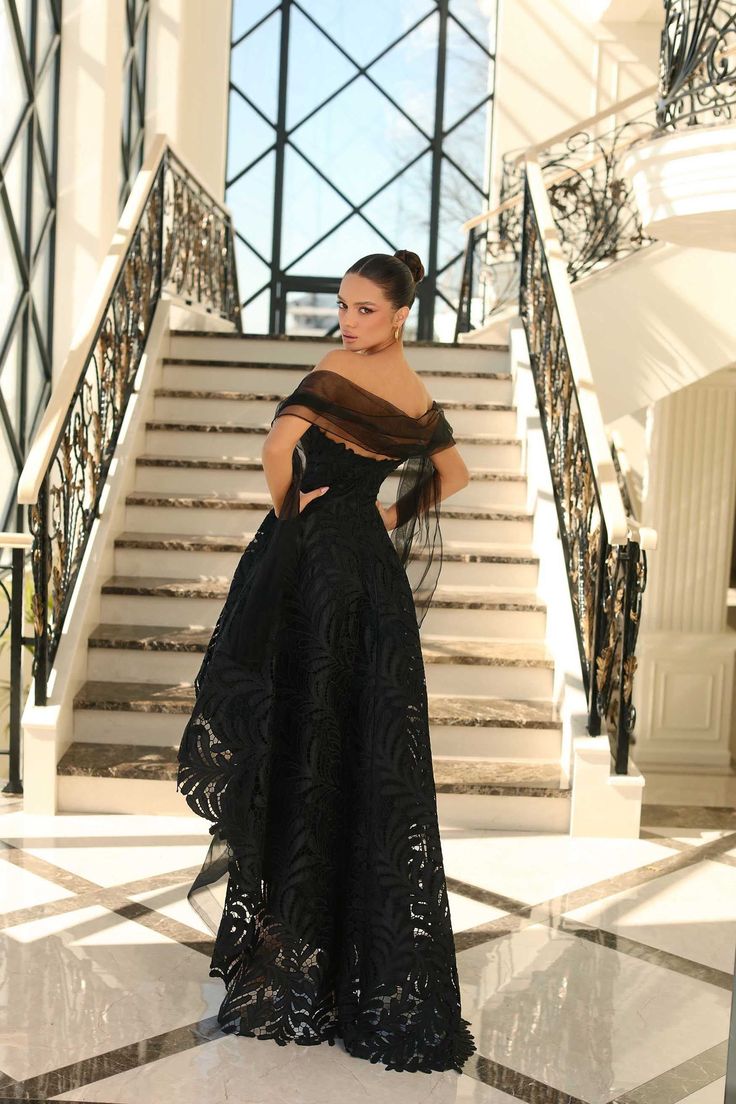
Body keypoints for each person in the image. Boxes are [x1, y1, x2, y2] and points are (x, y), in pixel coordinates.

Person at [176, 250, 476, 1074]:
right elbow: (454, 471)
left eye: (364, 309)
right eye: (342, 307)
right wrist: (388, 516)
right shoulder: (419, 399)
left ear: (399, 313)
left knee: (304, 741)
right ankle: (357, 963)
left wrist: (292, 511)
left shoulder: (335, 371)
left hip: (314, 571)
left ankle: (294, 951)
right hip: (373, 586)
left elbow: (278, 451)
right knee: (360, 753)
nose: (347, 323)